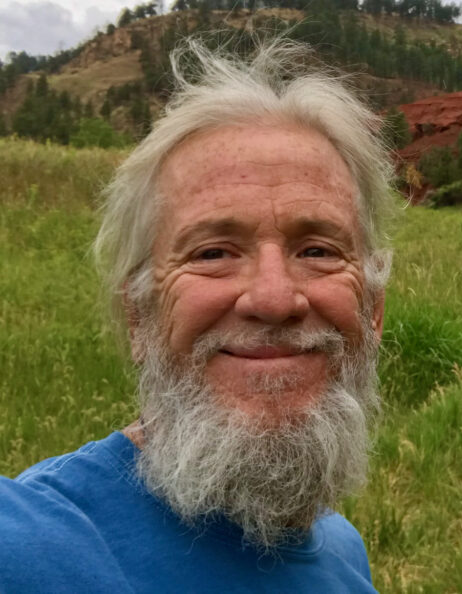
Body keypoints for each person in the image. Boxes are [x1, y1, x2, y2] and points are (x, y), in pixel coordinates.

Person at [0, 39, 396, 592]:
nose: (275, 299)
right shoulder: (26, 547)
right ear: (140, 316)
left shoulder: (343, 553)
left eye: (318, 251)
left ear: (373, 311)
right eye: (213, 253)